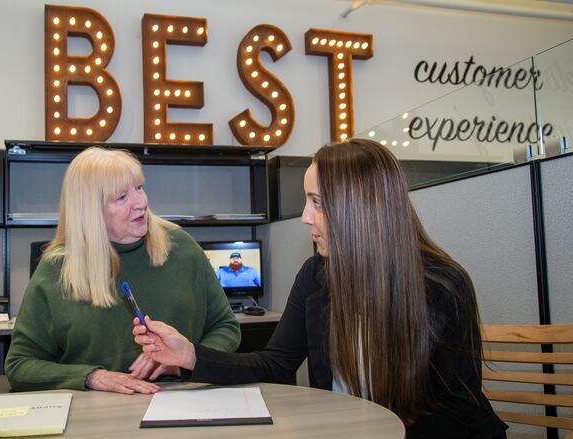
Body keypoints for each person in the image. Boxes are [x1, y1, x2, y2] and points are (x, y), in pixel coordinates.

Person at [133, 139, 508, 438]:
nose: (304, 217)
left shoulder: (442, 285)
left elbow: (456, 413)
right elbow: (275, 365)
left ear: (359, 209)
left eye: (317, 203)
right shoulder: (316, 275)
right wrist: (191, 356)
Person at [5, 147, 240, 394]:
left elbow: (225, 327)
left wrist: (186, 361)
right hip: (99, 416)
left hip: (180, 401)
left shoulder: (182, 247)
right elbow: (20, 365)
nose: (141, 203)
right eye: (121, 197)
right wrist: (92, 377)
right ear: (91, 211)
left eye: (139, 188)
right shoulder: (57, 268)